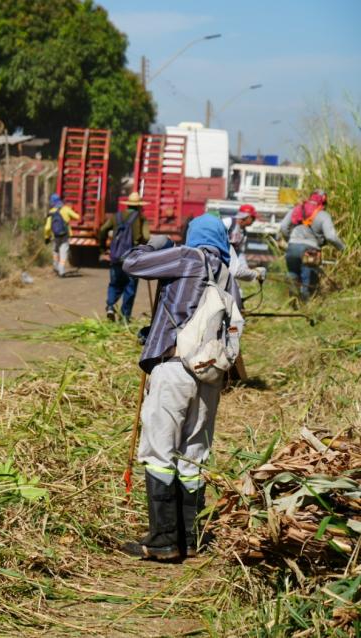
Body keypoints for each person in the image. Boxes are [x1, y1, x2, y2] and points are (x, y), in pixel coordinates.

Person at [120, 214, 243, 561]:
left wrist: (155, 244)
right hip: (209, 377)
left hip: (173, 370)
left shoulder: (188, 257)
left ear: (194, 235)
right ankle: (190, 538)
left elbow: (132, 263)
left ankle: (163, 540)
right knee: (193, 456)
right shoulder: (227, 275)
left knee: (159, 453)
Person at [279, 189, 345, 302]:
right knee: (307, 280)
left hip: (292, 247)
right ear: (324, 202)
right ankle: (306, 307)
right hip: (310, 251)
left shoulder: (297, 209)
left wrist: (290, 240)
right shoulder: (323, 215)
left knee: (292, 274)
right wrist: (343, 248)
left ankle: (292, 302)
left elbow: (284, 227)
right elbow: (331, 236)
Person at [99, 191, 150, 321]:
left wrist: (103, 247)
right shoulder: (141, 218)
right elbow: (147, 237)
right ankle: (125, 317)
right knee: (130, 287)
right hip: (133, 258)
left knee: (114, 284)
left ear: (127, 204)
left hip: (116, 256)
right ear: (139, 205)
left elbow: (103, 230)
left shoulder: (116, 216)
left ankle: (110, 306)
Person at [42, 193, 79, 277]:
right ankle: (61, 270)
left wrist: (46, 237)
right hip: (65, 236)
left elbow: (47, 228)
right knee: (63, 253)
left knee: (55, 251)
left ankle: (56, 267)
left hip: (55, 236)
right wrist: (70, 215)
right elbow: (77, 217)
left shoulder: (51, 212)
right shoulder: (66, 209)